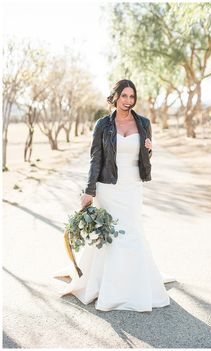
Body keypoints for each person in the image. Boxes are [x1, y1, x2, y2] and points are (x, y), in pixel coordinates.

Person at [53, 79, 175, 312]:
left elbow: (146, 159)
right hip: (108, 186)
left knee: (133, 231)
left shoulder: (144, 123)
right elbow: (95, 158)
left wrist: (149, 149)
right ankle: (106, 285)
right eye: (124, 96)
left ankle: (136, 286)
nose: (128, 101)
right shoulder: (102, 125)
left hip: (133, 186)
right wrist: (89, 191)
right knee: (112, 236)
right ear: (116, 97)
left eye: (132, 96)